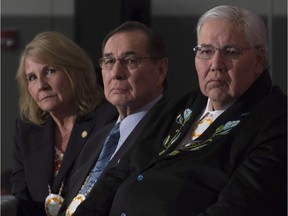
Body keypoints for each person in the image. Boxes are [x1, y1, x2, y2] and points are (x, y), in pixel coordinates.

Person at [72, 5, 287, 216]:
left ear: (258, 60)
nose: (215, 64)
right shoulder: (178, 106)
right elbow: (119, 174)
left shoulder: (275, 122)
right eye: (205, 51)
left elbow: (237, 208)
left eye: (230, 52)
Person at [57, 21, 169, 215]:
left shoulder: (169, 134)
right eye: (109, 61)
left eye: (131, 61)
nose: (116, 73)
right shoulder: (96, 139)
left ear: (160, 70)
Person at [10, 31, 118, 216]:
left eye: (50, 71)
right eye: (32, 77)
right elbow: (22, 198)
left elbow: (107, 194)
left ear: (74, 72)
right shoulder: (26, 131)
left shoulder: (108, 120)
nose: (41, 85)